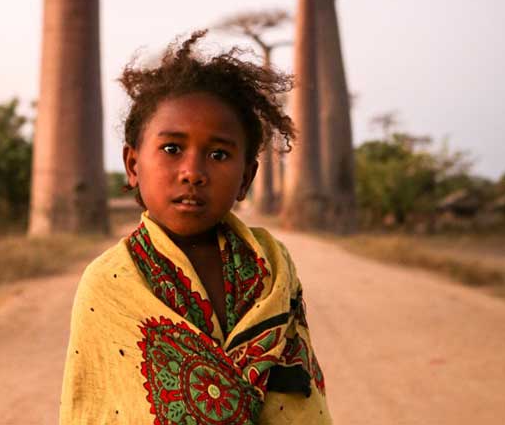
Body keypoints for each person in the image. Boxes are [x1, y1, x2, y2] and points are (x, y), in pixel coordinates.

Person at [60, 32, 332, 424]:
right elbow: (93, 407)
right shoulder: (108, 284)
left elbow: (301, 394)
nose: (193, 172)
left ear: (246, 177)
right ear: (133, 165)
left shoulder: (272, 267)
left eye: (219, 154)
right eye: (172, 149)